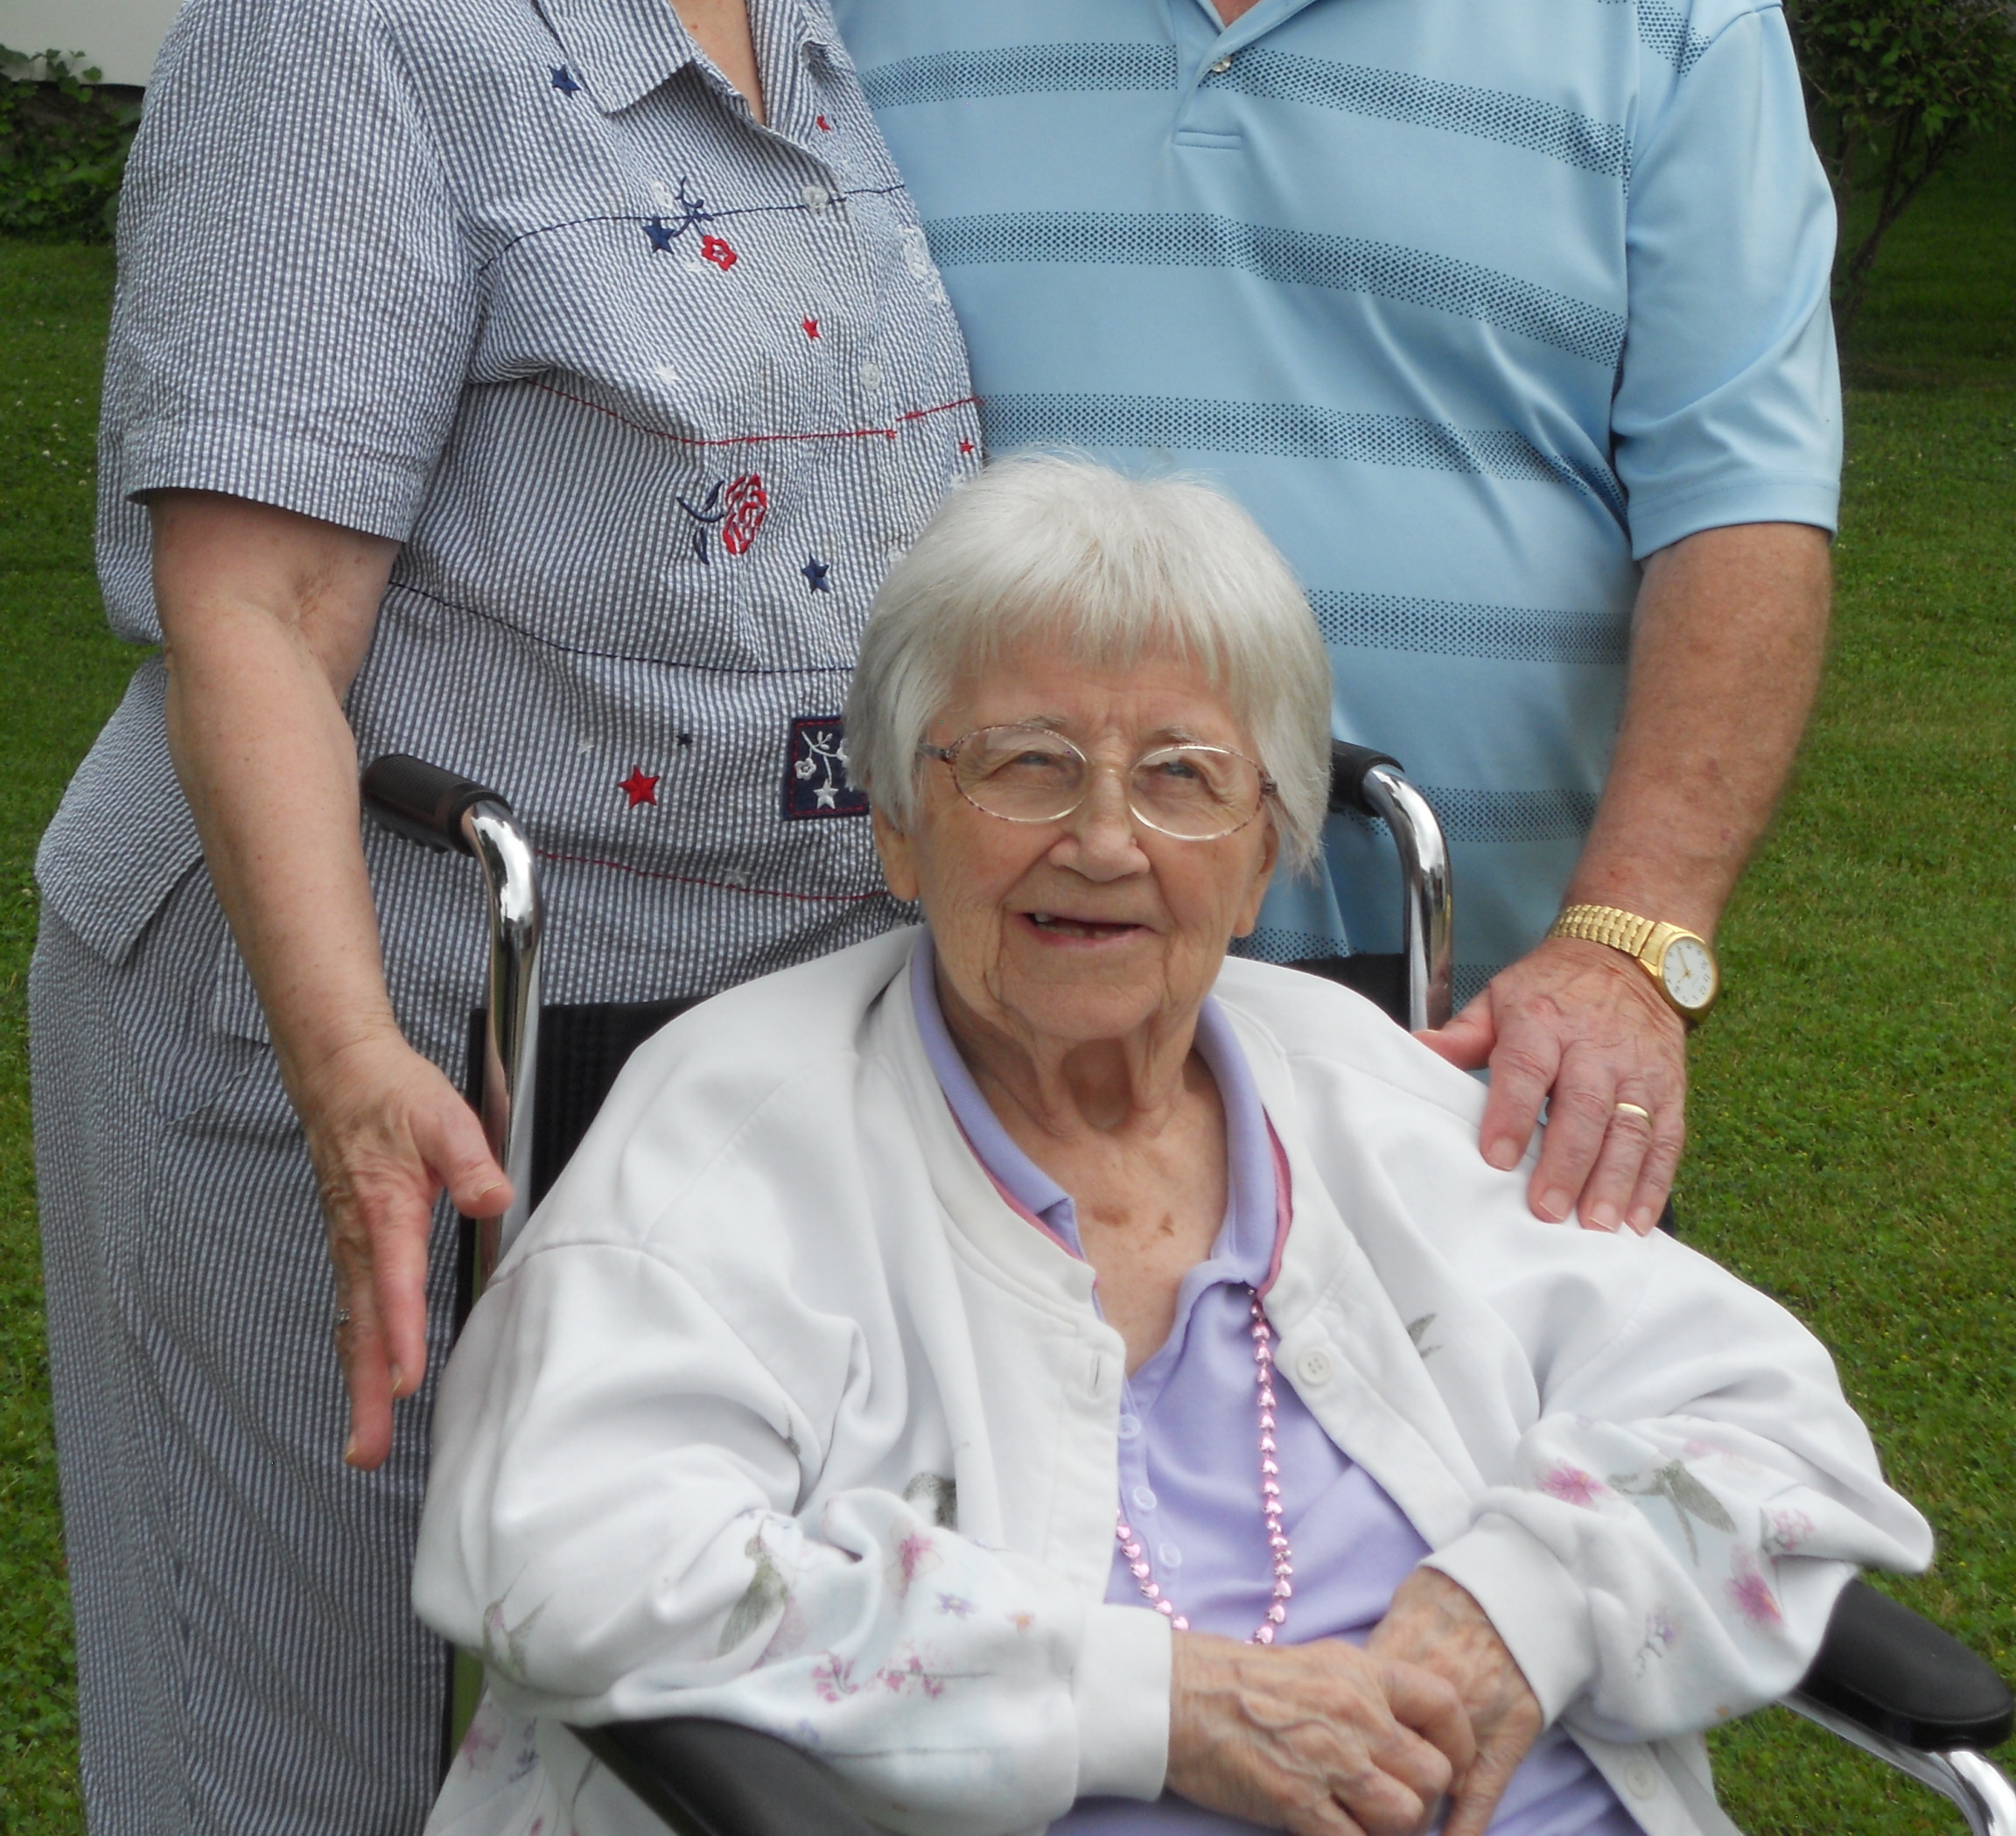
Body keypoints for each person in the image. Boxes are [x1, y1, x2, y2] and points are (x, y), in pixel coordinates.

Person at [31, 0, 976, 1836]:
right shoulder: (353, 12)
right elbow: (253, 609)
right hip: (334, 1041)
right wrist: (356, 1077)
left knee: (675, 1724)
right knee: (288, 1754)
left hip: (712, 1062)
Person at [413, 458, 1927, 1836]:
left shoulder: (1361, 1094)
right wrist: (1159, 1708)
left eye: (1185, 777)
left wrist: (1516, 1611)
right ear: (895, 822)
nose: (1104, 839)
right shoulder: (732, 1125)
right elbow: (570, 1552)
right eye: (1024, 764)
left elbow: (1768, 1424)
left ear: (1267, 851)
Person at [808, 0, 1840, 1244]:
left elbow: (1745, 507)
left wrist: (1630, 948)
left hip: (1466, 1039)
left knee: (1450, 1548)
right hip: (990, 1017)